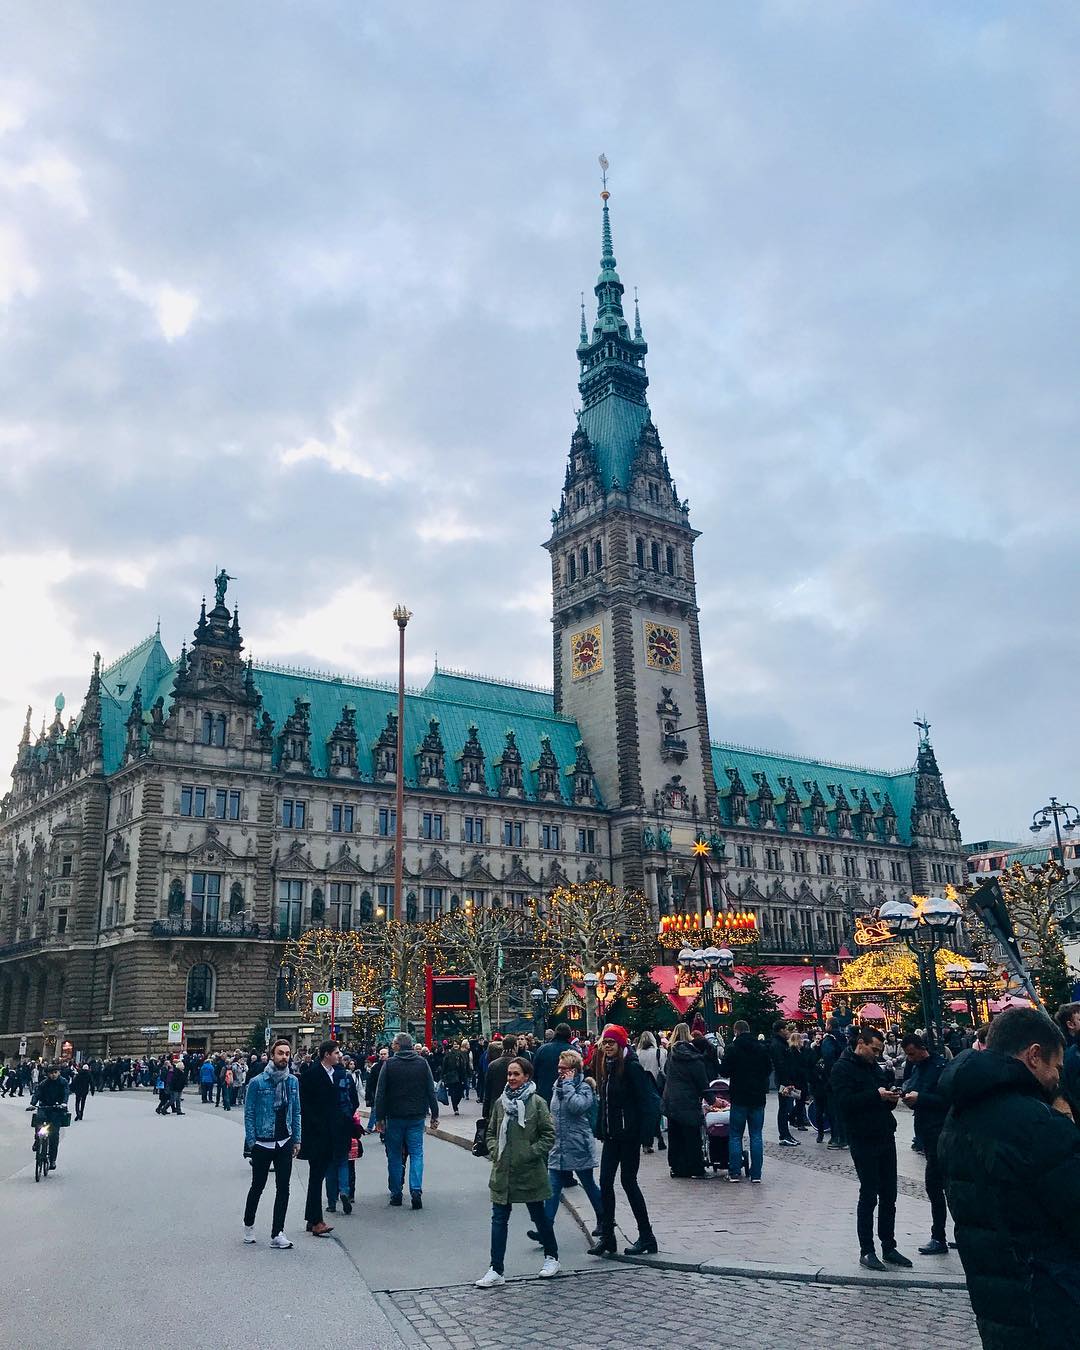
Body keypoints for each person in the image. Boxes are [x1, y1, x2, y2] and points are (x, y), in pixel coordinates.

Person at [938, 1006, 1080, 1348]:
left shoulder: (957, 1118)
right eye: (1056, 1068)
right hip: (1050, 1304)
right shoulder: (1035, 1123)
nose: (1057, 1078)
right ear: (1034, 1056)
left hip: (997, 1303)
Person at [830, 1025, 910, 1271]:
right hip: (862, 1137)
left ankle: (889, 1245)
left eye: (879, 1051)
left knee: (889, 1194)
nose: (876, 1054)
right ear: (861, 1043)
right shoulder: (842, 1068)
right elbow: (844, 1104)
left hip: (884, 1133)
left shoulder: (874, 1067)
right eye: (874, 1049)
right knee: (869, 1193)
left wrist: (890, 1099)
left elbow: (879, 1099)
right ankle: (867, 1249)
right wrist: (876, 1096)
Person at [474, 1057, 560, 1287]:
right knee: (499, 1219)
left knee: (539, 1216)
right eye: (509, 1074)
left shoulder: (537, 1103)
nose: (511, 1078)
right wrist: (495, 1151)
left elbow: (548, 1135)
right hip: (503, 1171)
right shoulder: (500, 1103)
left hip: (529, 1171)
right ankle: (496, 1269)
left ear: (526, 1076)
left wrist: (530, 1153)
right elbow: (491, 1132)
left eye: (516, 1074)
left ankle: (551, 1257)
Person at [588, 1024, 659, 1257]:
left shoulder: (632, 1068)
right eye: (605, 1043)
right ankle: (608, 1236)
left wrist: (646, 1135)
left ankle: (647, 1236)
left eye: (611, 1043)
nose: (607, 1047)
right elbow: (605, 1103)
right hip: (611, 1136)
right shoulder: (606, 1067)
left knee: (629, 1183)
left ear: (621, 1045)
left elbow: (647, 1102)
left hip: (628, 1135)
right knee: (606, 1182)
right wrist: (600, 1127)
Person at [243, 1038, 301, 1248]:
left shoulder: (292, 1082)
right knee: (257, 1186)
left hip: (284, 1141)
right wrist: (252, 1142)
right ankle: (249, 1224)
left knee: (283, 1188)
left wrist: (296, 1139)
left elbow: (296, 1111)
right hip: (263, 1143)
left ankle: (278, 1232)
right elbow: (249, 1113)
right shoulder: (258, 1082)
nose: (284, 1057)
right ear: (272, 1055)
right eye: (280, 1053)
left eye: (287, 1053)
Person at [897, 1033, 950, 1255]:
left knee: (938, 1186)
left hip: (941, 1133)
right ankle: (945, 1235)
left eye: (911, 1053)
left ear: (921, 1048)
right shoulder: (917, 1067)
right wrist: (906, 1097)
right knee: (938, 1187)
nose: (909, 1058)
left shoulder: (940, 1067)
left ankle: (939, 1236)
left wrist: (921, 1099)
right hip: (926, 1134)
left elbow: (947, 1100)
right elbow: (914, 1091)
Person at [373, 1031, 440, 1209]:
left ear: (398, 1046)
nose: (391, 1046)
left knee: (394, 1155)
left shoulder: (390, 1065)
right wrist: (435, 1114)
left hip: (394, 1116)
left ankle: (396, 1193)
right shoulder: (422, 1063)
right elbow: (430, 1090)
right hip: (416, 1115)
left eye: (393, 1043)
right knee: (417, 1153)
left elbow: (381, 1093)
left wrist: (379, 1117)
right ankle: (416, 1189)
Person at [298, 1041, 346, 1237]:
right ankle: (316, 1221)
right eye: (336, 1052)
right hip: (317, 1134)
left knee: (317, 1176)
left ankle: (312, 1218)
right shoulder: (313, 1074)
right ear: (326, 1054)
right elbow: (306, 1104)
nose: (339, 1055)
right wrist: (318, 1125)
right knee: (317, 1176)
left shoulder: (334, 1073)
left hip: (329, 1132)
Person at [721, 1018, 772, 1183]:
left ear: (736, 1031)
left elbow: (724, 1071)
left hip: (739, 1096)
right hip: (757, 1097)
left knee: (735, 1135)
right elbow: (768, 1070)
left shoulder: (732, 1048)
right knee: (756, 1135)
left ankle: (735, 1172)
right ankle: (756, 1174)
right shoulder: (761, 1048)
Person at [662, 1022, 713, 1179]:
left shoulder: (673, 1055)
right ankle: (695, 1168)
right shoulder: (695, 1060)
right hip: (688, 1101)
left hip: (670, 1100)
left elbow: (665, 1072)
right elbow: (703, 1084)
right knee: (692, 1136)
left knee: (675, 1135)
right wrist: (712, 1100)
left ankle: (676, 1167)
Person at [326, 1059, 360, 1215]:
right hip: (344, 1124)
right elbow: (355, 1101)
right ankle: (345, 1191)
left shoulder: (325, 1076)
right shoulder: (346, 1076)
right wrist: (348, 1114)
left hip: (328, 1124)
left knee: (330, 1164)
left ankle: (332, 1201)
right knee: (343, 1161)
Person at [31, 1063, 69, 1168]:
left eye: (55, 1073)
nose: (53, 1075)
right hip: (44, 1106)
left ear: (59, 1073)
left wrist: (64, 1103)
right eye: (51, 1073)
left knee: (54, 1135)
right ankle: (37, 1139)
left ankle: (52, 1159)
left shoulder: (63, 1082)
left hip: (57, 1109)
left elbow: (66, 1093)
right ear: (47, 1074)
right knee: (38, 1121)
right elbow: (37, 1093)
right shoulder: (44, 1083)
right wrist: (32, 1104)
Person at [768, 1021, 800, 1146]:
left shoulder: (780, 1044)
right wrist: (787, 1082)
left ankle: (786, 1134)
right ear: (781, 1030)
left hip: (786, 1080)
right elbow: (781, 1065)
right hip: (784, 1081)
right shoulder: (777, 1045)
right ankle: (784, 1135)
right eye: (786, 1029)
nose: (788, 1031)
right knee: (784, 1108)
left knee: (786, 1107)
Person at [635, 1031, 668, 1154]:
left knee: (646, 1115)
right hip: (658, 1085)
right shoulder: (660, 1052)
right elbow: (664, 1070)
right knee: (657, 1112)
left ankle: (647, 1141)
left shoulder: (638, 1054)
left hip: (643, 1086)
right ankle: (658, 1137)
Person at [818, 1019, 847, 1148]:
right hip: (844, 1078)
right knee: (842, 1109)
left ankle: (837, 1138)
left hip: (831, 1080)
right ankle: (845, 1137)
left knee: (833, 1110)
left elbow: (828, 1058)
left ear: (829, 1026)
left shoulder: (828, 1040)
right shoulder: (844, 1038)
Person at [532, 1023, 574, 1104]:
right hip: (566, 1095)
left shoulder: (542, 1049)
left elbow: (534, 1072)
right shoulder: (573, 1051)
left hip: (544, 1093)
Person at [482, 1036, 519, 1116]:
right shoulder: (520, 1064)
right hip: (516, 1105)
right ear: (515, 1046)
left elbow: (488, 1089)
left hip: (496, 1105)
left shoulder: (493, 1065)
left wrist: (485, 1112)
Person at [440, 1039, 471, 1115]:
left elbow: (467, 1064)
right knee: (453, 1092)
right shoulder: (449, 1054)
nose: (456, 1045)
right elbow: (444, 1066)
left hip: (461, 1076)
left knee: (460, 1092)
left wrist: (469, 1073)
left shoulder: (463, 1054)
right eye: (454, 1044)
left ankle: (456, 1103)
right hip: (452, 1076)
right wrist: (443, 1076)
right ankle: (455, 1107)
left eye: (457, 1044)